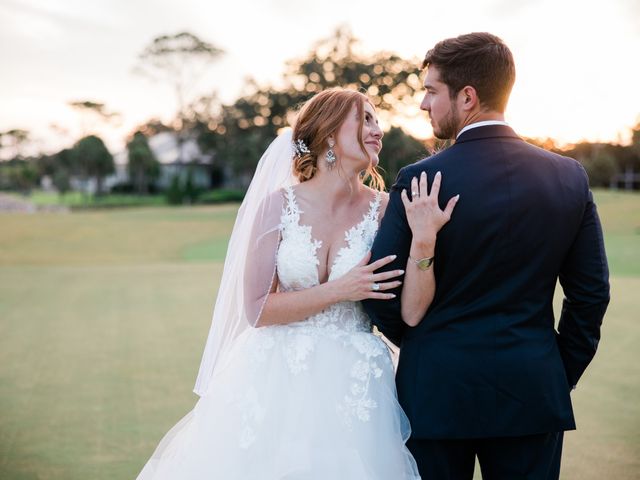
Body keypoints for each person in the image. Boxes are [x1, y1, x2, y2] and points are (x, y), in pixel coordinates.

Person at [136, 88, 456, 479]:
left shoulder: (385, 209)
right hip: (273, 375)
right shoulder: (278, 205)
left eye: (377, 120)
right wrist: (341, 289)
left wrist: (425, 240)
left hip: (354, 381)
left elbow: (410, 309)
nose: (378, 130)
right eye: (366, 119)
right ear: (329, 134)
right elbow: (257, 309)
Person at [363, 32, 610, 480]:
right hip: (531, 392)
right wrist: (554, 370)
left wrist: (426, 348)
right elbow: (591, 296)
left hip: (435, 393)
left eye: (431, 91)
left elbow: (379, 293)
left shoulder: (420, 179)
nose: (423, 104)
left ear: (468, 97)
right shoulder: (568, 177)